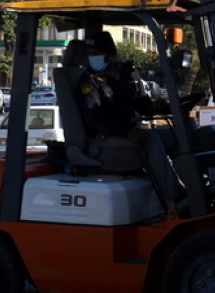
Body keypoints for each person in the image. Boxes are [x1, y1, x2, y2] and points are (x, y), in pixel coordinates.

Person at [75, 31, 181, 205]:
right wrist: (126, 132)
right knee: (151, 139)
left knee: (179, 133)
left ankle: (195, 185)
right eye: (89, 54)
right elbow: (93, 119)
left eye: (96, 54)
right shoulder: (88, 81)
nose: (92, 58)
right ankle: (175, 197)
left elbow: (142, 104)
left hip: (129, 132)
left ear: (109, 55)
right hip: (104, 139)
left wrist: (156, 106)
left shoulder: (128, 74)